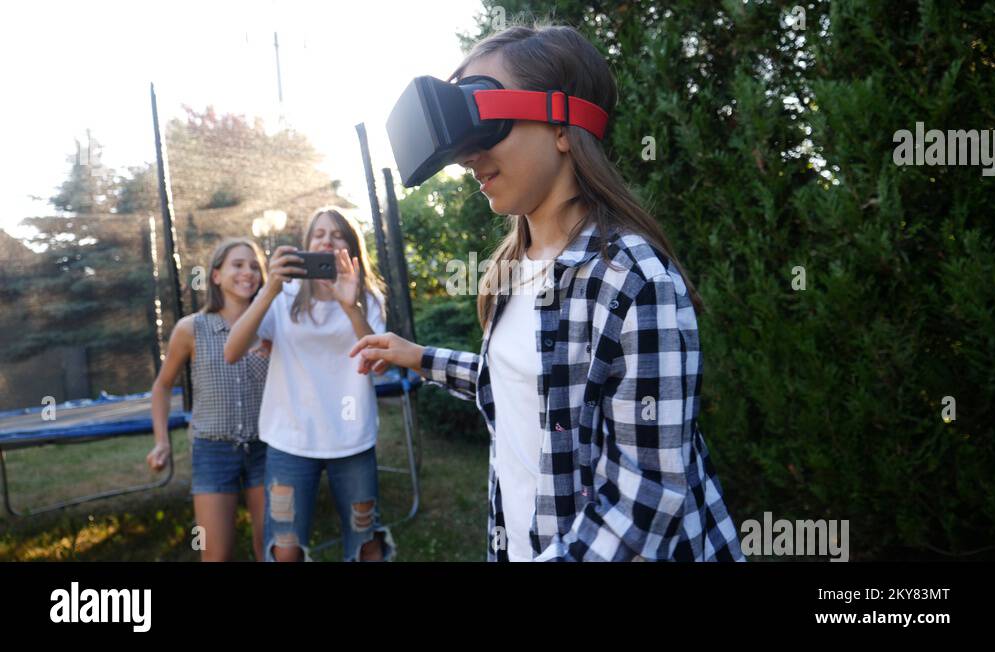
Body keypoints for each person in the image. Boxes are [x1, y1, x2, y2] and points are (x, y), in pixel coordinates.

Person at [350, 24, 745, 561]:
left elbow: (647, 498)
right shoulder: (515, 268)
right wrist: (419, 358)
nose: (468, 157)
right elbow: (532, 391)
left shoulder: (632, 279)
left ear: (562, 125)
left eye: (482, 116)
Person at [225, 208, 395, 562]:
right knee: (285, 549)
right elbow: (232, 351)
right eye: (318, 234)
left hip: (351, 437)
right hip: (290, 439)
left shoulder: (367, 298)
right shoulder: (284, 295)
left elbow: (379, 365)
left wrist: (351, 307)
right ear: (307, 244)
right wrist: (269, 289)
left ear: (351, 247)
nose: (326, 241)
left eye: (337, 235)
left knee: (367, 544)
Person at [147, 238, 271, 561]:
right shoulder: (191, 329)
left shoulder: (271, 325)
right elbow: (162, 386)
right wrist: (162, 442)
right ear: (215, 275)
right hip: (212, 451)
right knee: (215, 555)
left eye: (255, 267)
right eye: (238, 265)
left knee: (271, 550)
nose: (248, 273)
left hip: (266, 447)